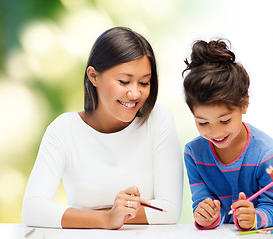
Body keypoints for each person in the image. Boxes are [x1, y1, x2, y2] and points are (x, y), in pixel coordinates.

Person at [22, 27, 183, 229]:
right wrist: (107, 219)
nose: (135, 93)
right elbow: (32, 209)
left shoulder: (157, 120)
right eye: (124, 81)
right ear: (94, 76)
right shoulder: (64, 129)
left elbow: (169, 210)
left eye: (144, 82)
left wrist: (88, 215)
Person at [182, 39, 273, 231]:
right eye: (203, 123)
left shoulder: (266, 153)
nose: (215, 133)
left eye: (225, 121)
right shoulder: (193, 153)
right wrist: (207, 215)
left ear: (244, 104)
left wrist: (255, 217)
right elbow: (202, 203)